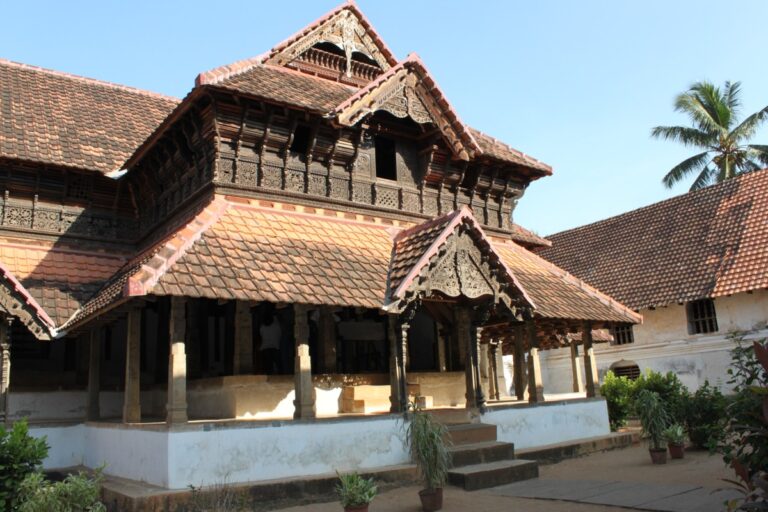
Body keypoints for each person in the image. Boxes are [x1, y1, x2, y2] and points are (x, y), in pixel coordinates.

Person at [259, 310, 282, 374]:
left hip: (265, 349)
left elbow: (261, 336)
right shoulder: (277, 326)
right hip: (275, 348)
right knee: (278, 368)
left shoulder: (262, 327)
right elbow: (280, 335)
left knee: (267, 369)